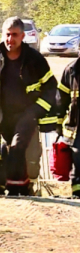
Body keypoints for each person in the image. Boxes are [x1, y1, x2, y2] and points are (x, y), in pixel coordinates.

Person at [0, 16, 57, 196]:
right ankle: (15, 186)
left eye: (15, 35)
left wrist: (36, 111)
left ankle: (15, 189)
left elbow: (51, 86)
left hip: (26, 116)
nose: (10, 39)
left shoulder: (34, 58)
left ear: (23, 36)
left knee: (17, 148)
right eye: (7, 35)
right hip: (1, 116)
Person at [56, 57, 80, 197]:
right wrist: (58, 125)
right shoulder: (71, 70)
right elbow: (61, 100)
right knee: (78, 154)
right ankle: (78, 191)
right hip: (77, 126)